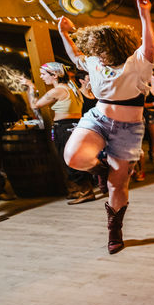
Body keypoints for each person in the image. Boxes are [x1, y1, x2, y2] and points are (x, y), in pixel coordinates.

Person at [58, 0, 154, 254]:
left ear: (112, 46)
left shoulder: (136, 63)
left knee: (117, 185)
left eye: (100, 48)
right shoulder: (94, 63)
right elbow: (76, 56)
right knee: (74, 157)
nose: (95, 53)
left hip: (129, 130)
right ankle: (104, 171)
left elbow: (148, 46)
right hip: (98, 120)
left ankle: (114, 229)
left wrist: (145, 15)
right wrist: (63, 33)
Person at [25, 62, 96, 204]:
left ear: (55, 75)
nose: (41, 77)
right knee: (74, 158)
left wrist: (31, 88)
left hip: (64, 127)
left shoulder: (57, 91)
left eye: (44, 74)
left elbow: (35, 105)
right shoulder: (71, 87)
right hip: (75, 126)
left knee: (70, 160)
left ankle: (86, 191)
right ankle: (79, 189)